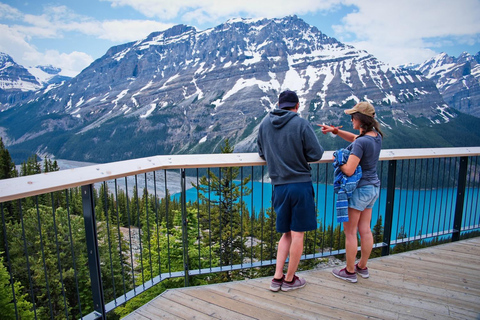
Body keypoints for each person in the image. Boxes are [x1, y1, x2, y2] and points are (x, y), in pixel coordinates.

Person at [257, 90, 324, 292]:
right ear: (296, 106)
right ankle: (289, 279)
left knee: (285, 234)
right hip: (300, 185)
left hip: (279, 186)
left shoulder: (264, 124)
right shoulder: (301, 123)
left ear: (279, 105)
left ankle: (276, 278)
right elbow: (317, 154)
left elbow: (261, 152)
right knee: (298, 235)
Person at [318, 101, 383, 283]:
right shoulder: (375, 137)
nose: (351, 119)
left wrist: (338, 158)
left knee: (350, 232)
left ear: (360, 119)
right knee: (366, 230)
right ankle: (362, 267)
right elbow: (355, 139)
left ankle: (349, 271)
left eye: (353, 116)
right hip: (373, 189)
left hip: (358, 190)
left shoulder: (362, 142)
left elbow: (349, 170)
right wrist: (335, 131)